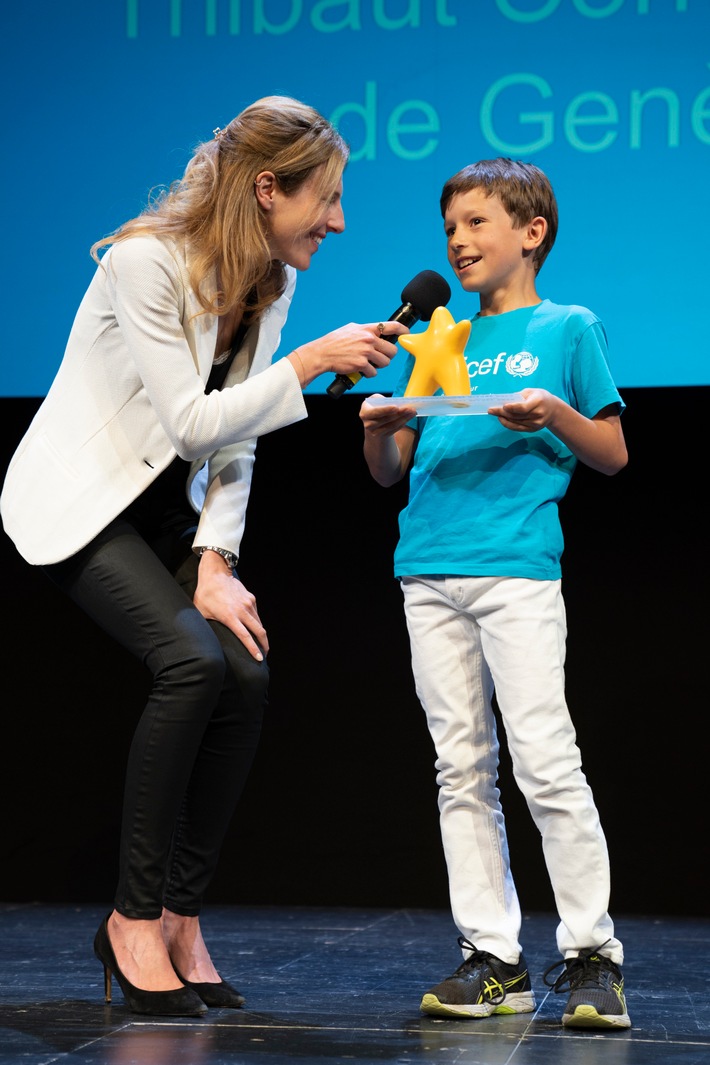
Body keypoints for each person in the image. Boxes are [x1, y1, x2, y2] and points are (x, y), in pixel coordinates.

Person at [0, 95, 406, 1018]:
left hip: (167, 513)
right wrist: (305, 367)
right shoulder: (146, 262)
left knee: (246, 672)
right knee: (187, 661)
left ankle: (181, 916)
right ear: (268, 189)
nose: (338, 221)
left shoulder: (271, 273)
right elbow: (190, 420)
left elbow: (236, 444)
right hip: (80, 501)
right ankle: (130, 920)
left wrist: (217, 557)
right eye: (327, 199)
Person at [359, 158, 631, 1030]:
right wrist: (383, 425)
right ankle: (494, 959)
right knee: (460, 769)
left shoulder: (568, 326)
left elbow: (613, 452)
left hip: (516, 566)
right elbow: (390, 472)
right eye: (451, 229)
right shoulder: (439, 336)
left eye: (477, 223)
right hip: (427, 568)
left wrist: (551, 413)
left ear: (531, 232)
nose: (459, 241)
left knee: (546, 760)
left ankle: (593, 953)